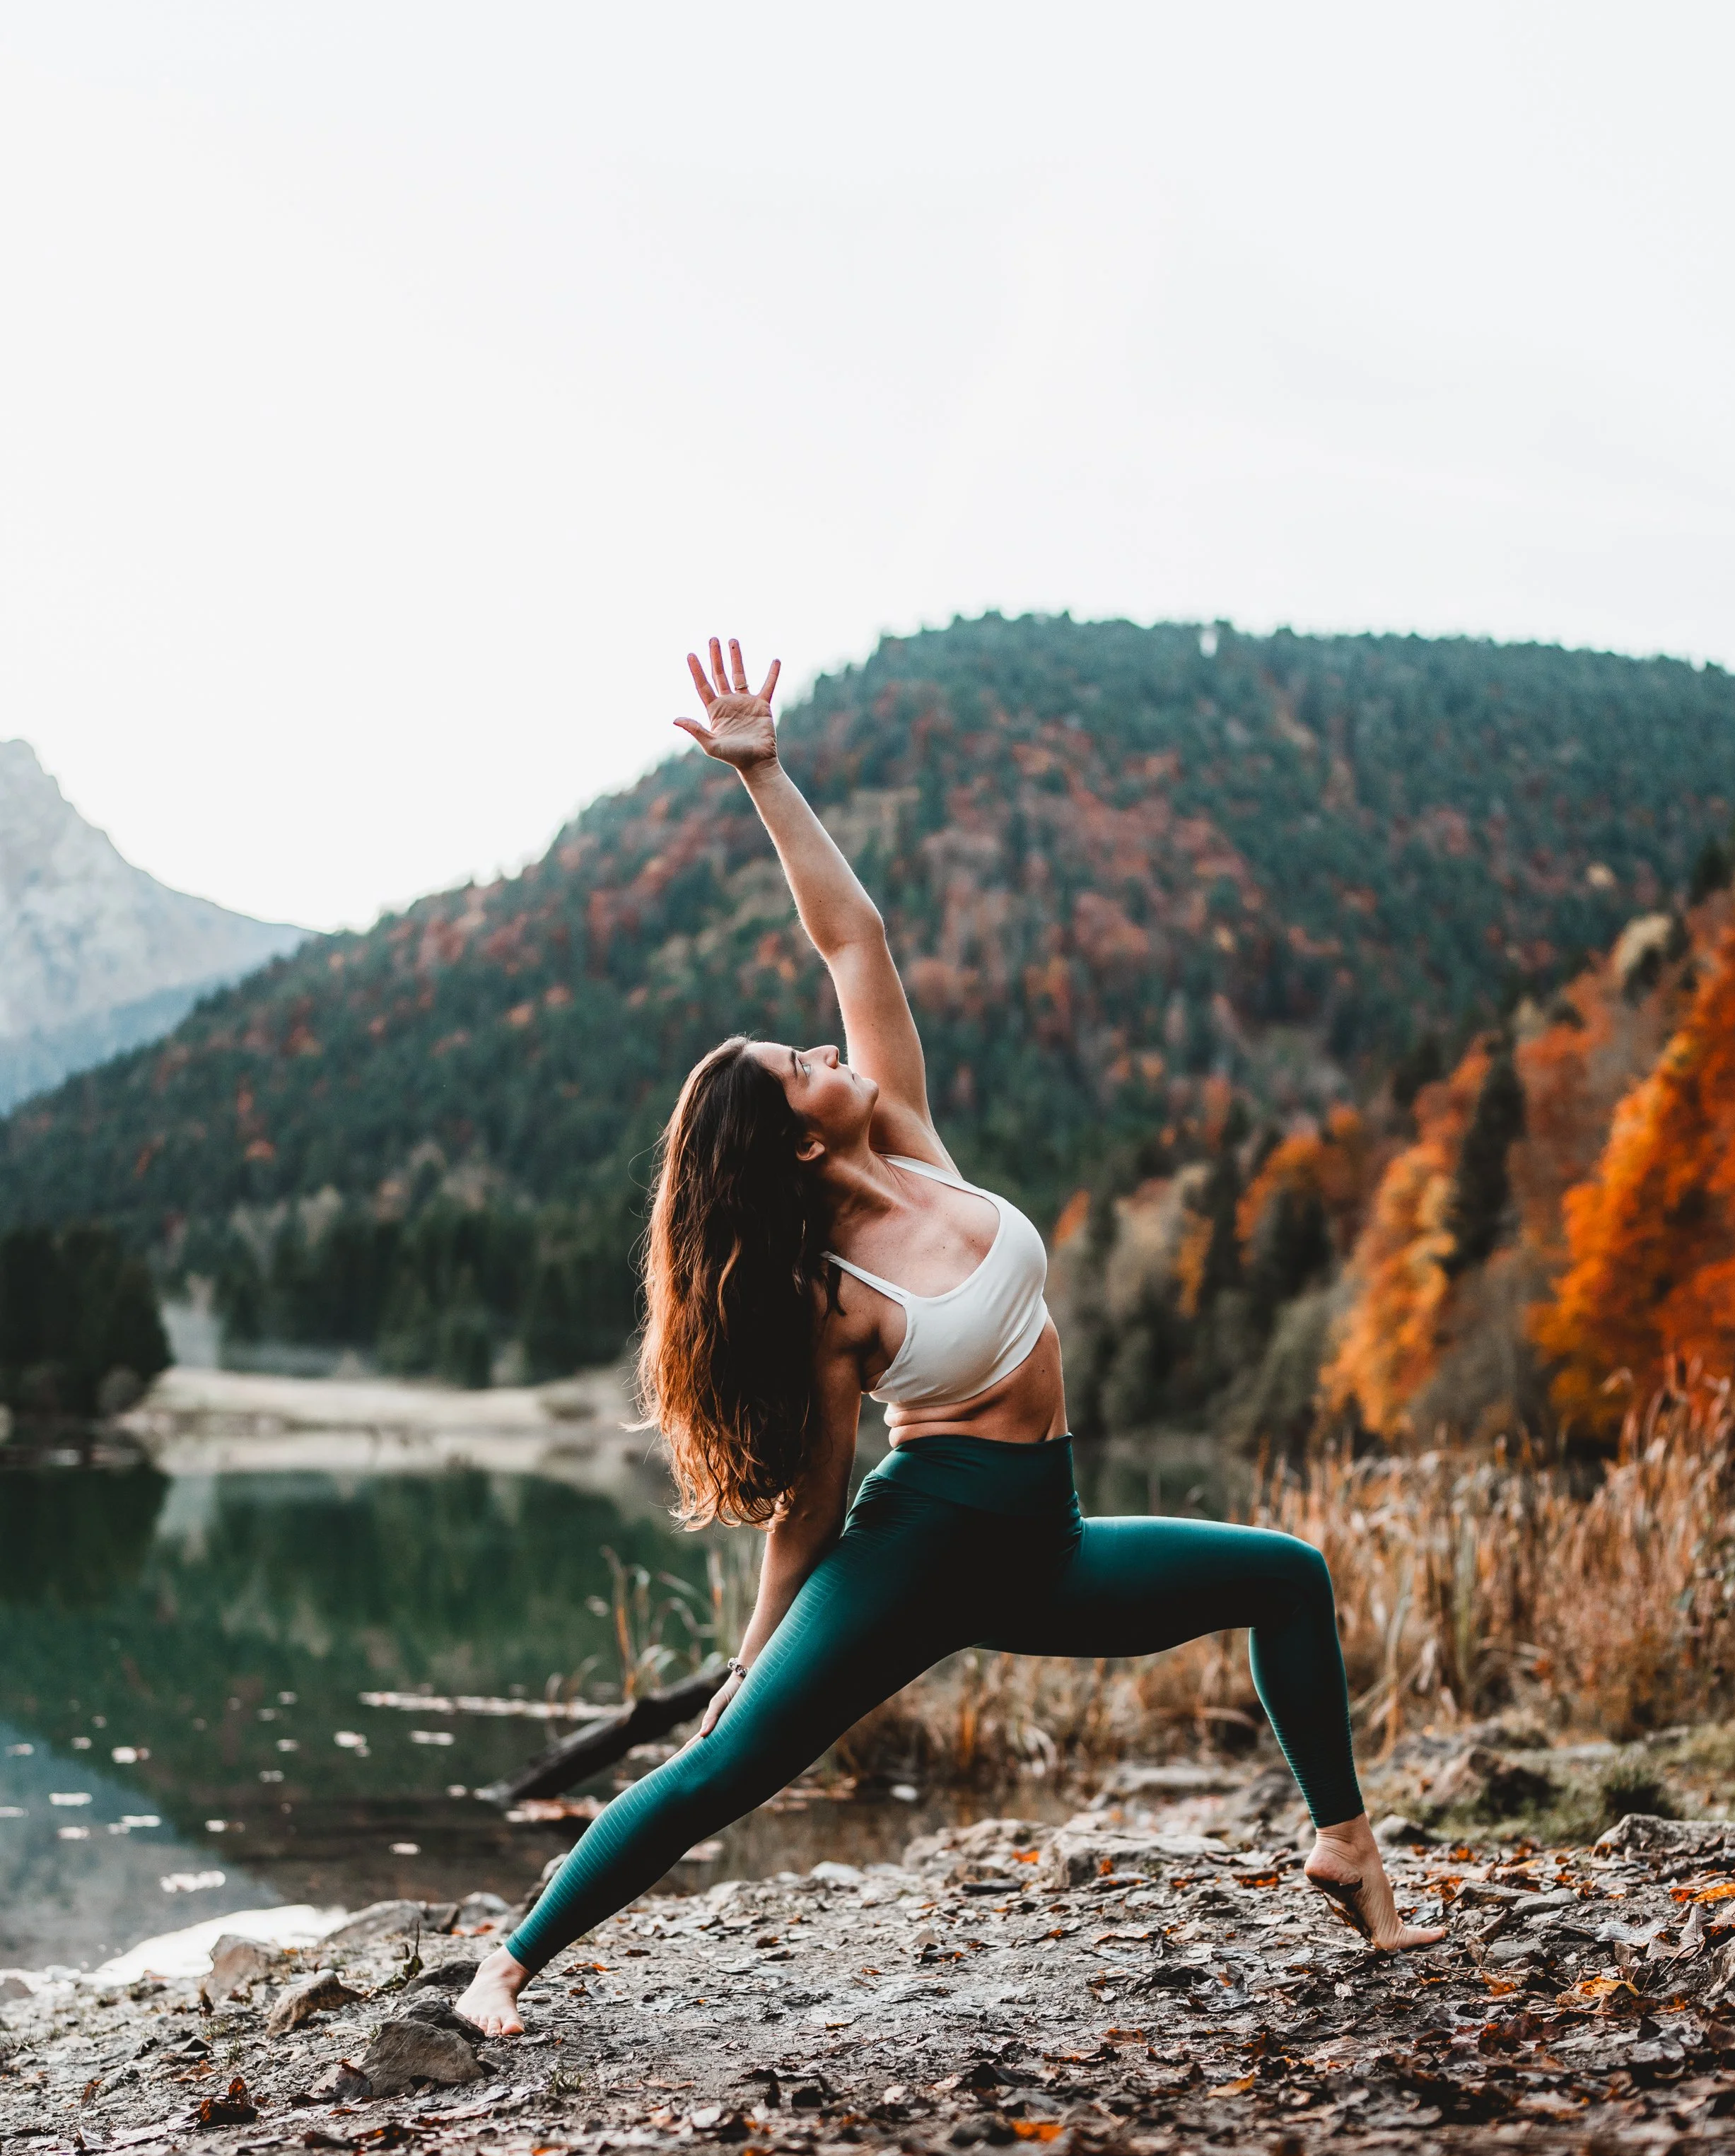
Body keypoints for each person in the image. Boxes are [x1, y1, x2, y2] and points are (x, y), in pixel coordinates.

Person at [457, 638, 1442, 2038]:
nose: (825, 1051)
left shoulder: (908, 1139)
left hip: (1042, 1545)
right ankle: (505, 1965)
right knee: (722, 1774)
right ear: (790, 1149)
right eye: (801, 1068)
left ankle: (1344, 1846)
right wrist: (752, 1650)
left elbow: (851, 937)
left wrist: (765, 775)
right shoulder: (828, 1297)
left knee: (1284, 1579)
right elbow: (810, 1504)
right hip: (917, 1555)